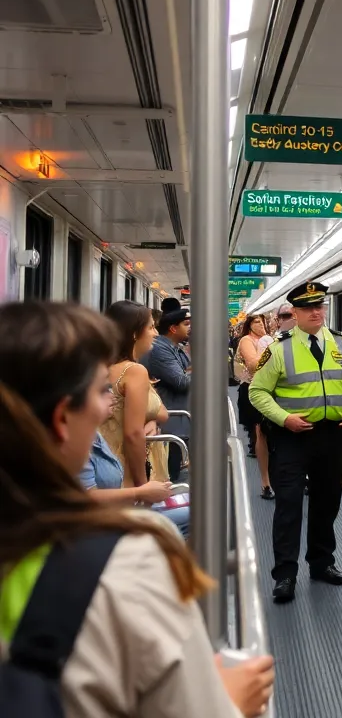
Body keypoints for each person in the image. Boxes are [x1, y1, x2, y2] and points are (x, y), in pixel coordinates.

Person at [0, 301, 273, 717]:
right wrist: (231, 700)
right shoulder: (128, 565)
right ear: (61, 419)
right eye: (98, 390)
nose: (106, 403)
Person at [249, 281, 342, 604]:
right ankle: (285, 574)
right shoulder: (279, 348)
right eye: (307, 308)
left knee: (327, 502)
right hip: (292, 436)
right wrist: (283, 418)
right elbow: (257, 392)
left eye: (320, 306)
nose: (316, 312)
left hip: (332, 436)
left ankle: (321, 563)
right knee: (289, 504)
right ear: (295, 313)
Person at [100, 301, 169, 486]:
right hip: (124, 467)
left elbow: (159, 411)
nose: (155, 333)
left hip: (103, 464)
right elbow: (133, 434)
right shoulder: (134, 371)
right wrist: (142, 485)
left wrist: (150, 418)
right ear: (134, 333)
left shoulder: (102, 366)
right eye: (151, 327)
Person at [141, 299, 191, 481]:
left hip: (176, 421)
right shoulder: (160, 349)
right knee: (169, 475)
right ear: (173, 328)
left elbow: (187, 371)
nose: (154, 334)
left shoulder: (175, 348)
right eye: (150, 328)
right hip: (171, 422)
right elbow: (181, 381)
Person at [236, 314, 273, 499]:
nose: (261, 325)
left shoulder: (273, 339)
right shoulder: (246, 340)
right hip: (253, 390)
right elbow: (253, 366)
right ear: (249, 325)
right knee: (260, 433)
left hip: (273, 390)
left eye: (262, 321)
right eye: (256, 322)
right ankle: (265, 482)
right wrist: (266, 345)